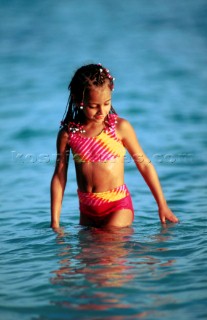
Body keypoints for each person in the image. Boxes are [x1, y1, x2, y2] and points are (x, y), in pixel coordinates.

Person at [50, 63, 178, 229]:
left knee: (108, 251)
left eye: (106, 103)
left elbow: (144, 165)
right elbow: (60, 176)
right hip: (87, 212)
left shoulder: (119, 128)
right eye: (93, 106)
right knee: (88, 255)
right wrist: (55, 222)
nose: (101, 111)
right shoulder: (68, 134)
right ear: (78, 100)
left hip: (118, 207)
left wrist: (162, 204)